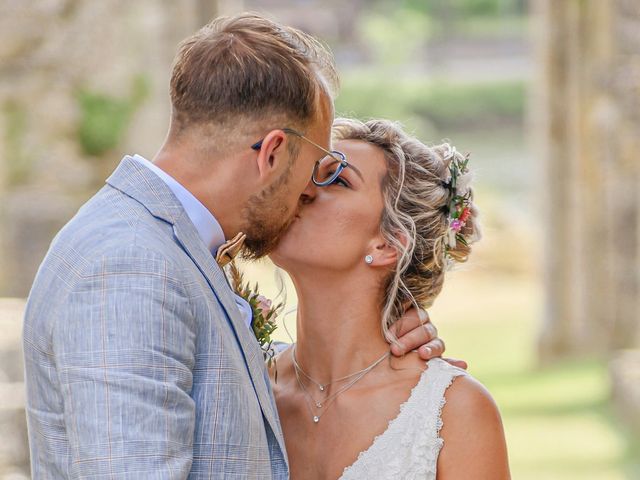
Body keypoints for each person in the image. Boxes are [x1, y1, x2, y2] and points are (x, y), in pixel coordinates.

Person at [22, 14, 456, 479]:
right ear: (271, 153)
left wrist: (377, 347)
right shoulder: (130, 266)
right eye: (314, 166)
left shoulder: (154, 246)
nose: (309, 191)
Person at [269, 118, 511, 479]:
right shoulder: (247, 379)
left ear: (388, 244)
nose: (302, 188)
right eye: (310, 172)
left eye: (337, 179)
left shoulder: (452, 414)